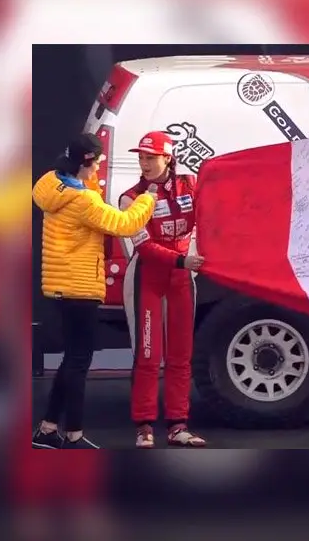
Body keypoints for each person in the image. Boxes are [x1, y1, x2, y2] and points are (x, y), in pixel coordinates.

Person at [31, 133, 155, 449]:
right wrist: (147, 197)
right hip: (80, 287)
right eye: (97, 161)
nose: (100, 165)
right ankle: (73, 435)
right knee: (78, 362)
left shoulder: (52, 183)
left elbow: (87, 183)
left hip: (60, 285)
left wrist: (92, 174)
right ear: (86, 161)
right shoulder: (84, 201)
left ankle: (46, 430)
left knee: (70, 359)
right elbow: (125, 223)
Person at [120, 131, 207, 448]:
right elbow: (144, 246)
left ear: (167, 158)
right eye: (141, 157)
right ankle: (144, 426)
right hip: (149, 278)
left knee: (180, 356)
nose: (144, 163)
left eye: (150, 157)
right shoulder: (131, 197)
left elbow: (213, 216)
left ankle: (178, 425)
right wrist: (183, 260)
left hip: (182, 278)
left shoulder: (192, 184)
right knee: (148, 355)